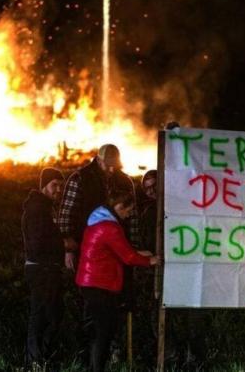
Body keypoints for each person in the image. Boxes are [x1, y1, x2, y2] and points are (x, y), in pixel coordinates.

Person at [75, 190, 160, 372]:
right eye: (128, 211)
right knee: (104, 332)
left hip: (90, 282)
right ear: (120, 207)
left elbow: (119, 251)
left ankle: (90, 365)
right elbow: (128, 257)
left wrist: (142, 254)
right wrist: (150, 261)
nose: (128, 215)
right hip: (100, 284)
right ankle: (96, 368)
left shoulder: (97, 221)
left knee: (97, 330)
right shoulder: (110, 227)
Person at [57, 144, 139, 270]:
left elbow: (132, 218)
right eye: (108, 165)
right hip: (88, 250)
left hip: (118, 252)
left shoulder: (125, 181)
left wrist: (134, 248)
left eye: (114, 165)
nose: (112, 170)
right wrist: (69, 249)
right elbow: (66, 215)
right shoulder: (80, 178)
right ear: (99, 160)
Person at [21, 167, 66, 368]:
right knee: (41, 315)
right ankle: (35, 360)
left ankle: (42, 357)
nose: (58, 189)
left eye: (61, 186)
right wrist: (64, 244)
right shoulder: (38, 209)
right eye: (54, 185)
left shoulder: (44, 207)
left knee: (51, 314)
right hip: (41, 269)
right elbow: (39, 243)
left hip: (47, 268)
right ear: (44, 185)